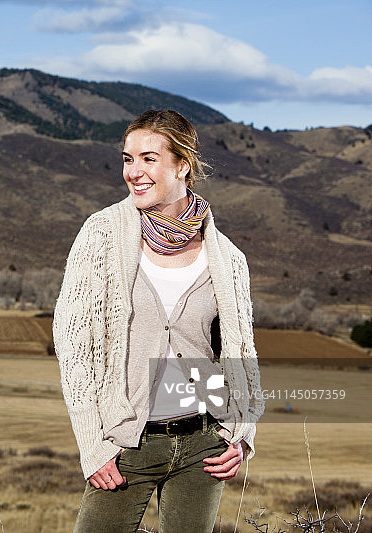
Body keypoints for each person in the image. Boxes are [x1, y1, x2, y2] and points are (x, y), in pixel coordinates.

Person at [53, 109, 264, 532]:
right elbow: (74, 347)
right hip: (126, 441)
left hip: (205, 443)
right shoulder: (102, 235)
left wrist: (241, 435)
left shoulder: (228, 258)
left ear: (182, 164)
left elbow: (239, 350)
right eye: (128, 159)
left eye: (149, 159)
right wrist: (93, 445)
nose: (134, 172)